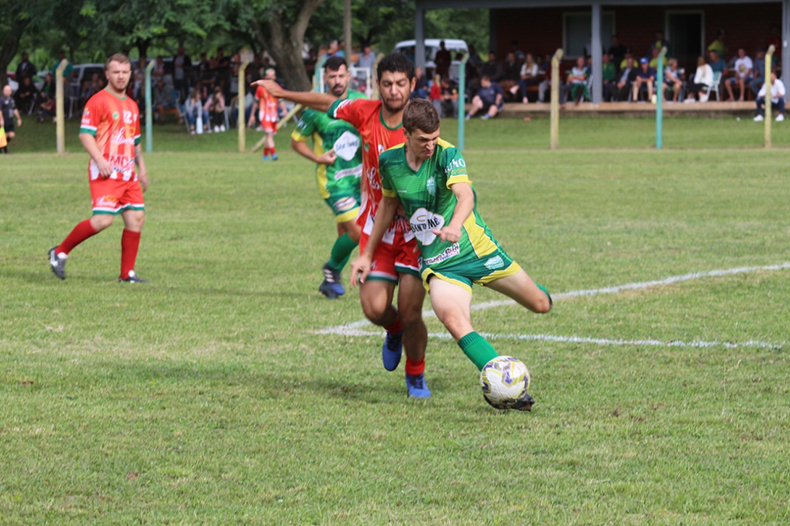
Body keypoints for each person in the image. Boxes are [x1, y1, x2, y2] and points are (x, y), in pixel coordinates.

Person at [352, 99, 551, 410]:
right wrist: (366, 253)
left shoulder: (448, 154)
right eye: (422, 140)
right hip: (440, 262)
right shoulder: (389, 162)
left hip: (476, 249)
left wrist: (456, 224)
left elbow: (465, 195)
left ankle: (539, 297)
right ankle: (506, 389)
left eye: (434, 137)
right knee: (452, 318)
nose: (430, 145)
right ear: (406, 134)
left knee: (541, 305)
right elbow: (387, 207)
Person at [253, 53, 430, 398]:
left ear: (413, 84)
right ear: (377, 85)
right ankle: (392, 329)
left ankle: (416, 375)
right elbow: (326, 102)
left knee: (412, 312)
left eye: (401, 84)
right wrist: (283, 93)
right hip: (378, 229)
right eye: (387, 83)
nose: (394, 91)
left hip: (414, 233)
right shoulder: (365, 112)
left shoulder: (421, 120)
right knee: (374, 308)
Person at [48, 54, 149, 283]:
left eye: (125, 72)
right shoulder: (98, 101)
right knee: (103, 220)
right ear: (107, 74)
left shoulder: (132, 105)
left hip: (128, 173)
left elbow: (135, 141)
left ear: (130, 74)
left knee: (136, 218)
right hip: (106, 172)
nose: (121, 76)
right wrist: (100, 160)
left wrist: (141, 168)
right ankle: (60, 252)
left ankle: (127, 274)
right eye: (116, 72)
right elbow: (85, 134)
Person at [290, 56, 366, 299]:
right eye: (332, 76)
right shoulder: (315, 109)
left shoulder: (362, 101)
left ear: (348, 76)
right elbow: (296, 141)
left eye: (340, 76)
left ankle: (330, 283)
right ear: (325, 78)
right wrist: (317, 158)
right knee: (357, 232)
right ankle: (332, 268)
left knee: (345, 233)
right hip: (334, 183)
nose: (337, 81)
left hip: (361, 180)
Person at [251, 68, 281, 160]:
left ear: (274, 77)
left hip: (273, 116)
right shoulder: (260, 88)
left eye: (271, 77)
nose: (270, 79)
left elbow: (281, 99)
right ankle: (274, 154)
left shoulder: (277, 87)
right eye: (268, 77)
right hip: (264, 114)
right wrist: (252, 115)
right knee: (269, 134)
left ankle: (265, 155)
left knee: (269, 136)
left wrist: (284, 110)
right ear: (265, 77)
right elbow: (256, 102)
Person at [0, 85, 22, 152]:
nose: (7, 92)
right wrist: (1, 119)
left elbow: (14, 109)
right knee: (4, 135)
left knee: (12, 135)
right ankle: (6, 150)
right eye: (5, 90)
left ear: (10, 91)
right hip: (4, 120)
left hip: (10, 120)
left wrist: (19, 118)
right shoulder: (1, 99)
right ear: (3, 91)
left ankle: (1, 146)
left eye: (8, 90)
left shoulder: (12, 99)